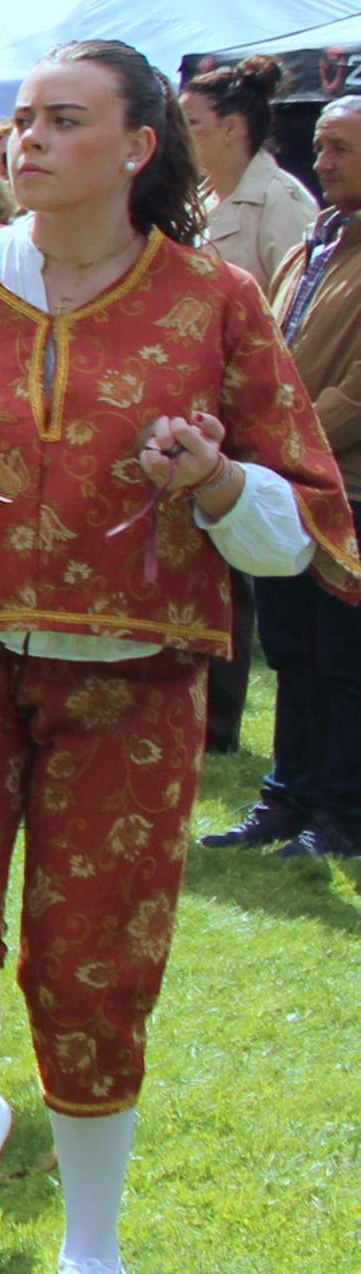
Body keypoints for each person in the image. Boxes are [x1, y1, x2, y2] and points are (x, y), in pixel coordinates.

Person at [0, 42, 357, 1274]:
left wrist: (215, 482)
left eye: (62, 119)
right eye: (17, 119)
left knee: (91, 963)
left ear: (134, 145)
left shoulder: (215, 302)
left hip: (131, 677)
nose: (27, 140)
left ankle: (89, 1243)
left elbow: (298, 525)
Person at [217, 93, 361, 856]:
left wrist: (283, 442)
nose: (322, 162)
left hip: (346, 487)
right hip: (291, 482)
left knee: (345, 659)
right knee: (294, 649)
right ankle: (286, 799)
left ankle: (342, 815)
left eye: (338, 147)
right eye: (321, 146)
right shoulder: (316, 243)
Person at [186, 58, 312, 294]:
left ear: (232, 128)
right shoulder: (200, 198)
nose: (180, 134)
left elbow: (298, 303)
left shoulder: (280, 200)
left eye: (192, 122)